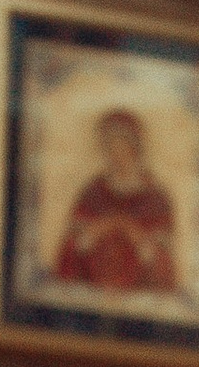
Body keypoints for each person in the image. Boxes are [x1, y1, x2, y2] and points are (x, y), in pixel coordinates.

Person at [54, 103, 179, 295]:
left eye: (122, 147)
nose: (116, 154)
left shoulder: (156, 198)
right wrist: (94, 231)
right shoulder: (92, 192)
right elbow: (71, 245)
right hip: (91, 289)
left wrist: (136, 235)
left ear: (135, 149)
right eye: (110, 147)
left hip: (139, 293)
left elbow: (163, 257)